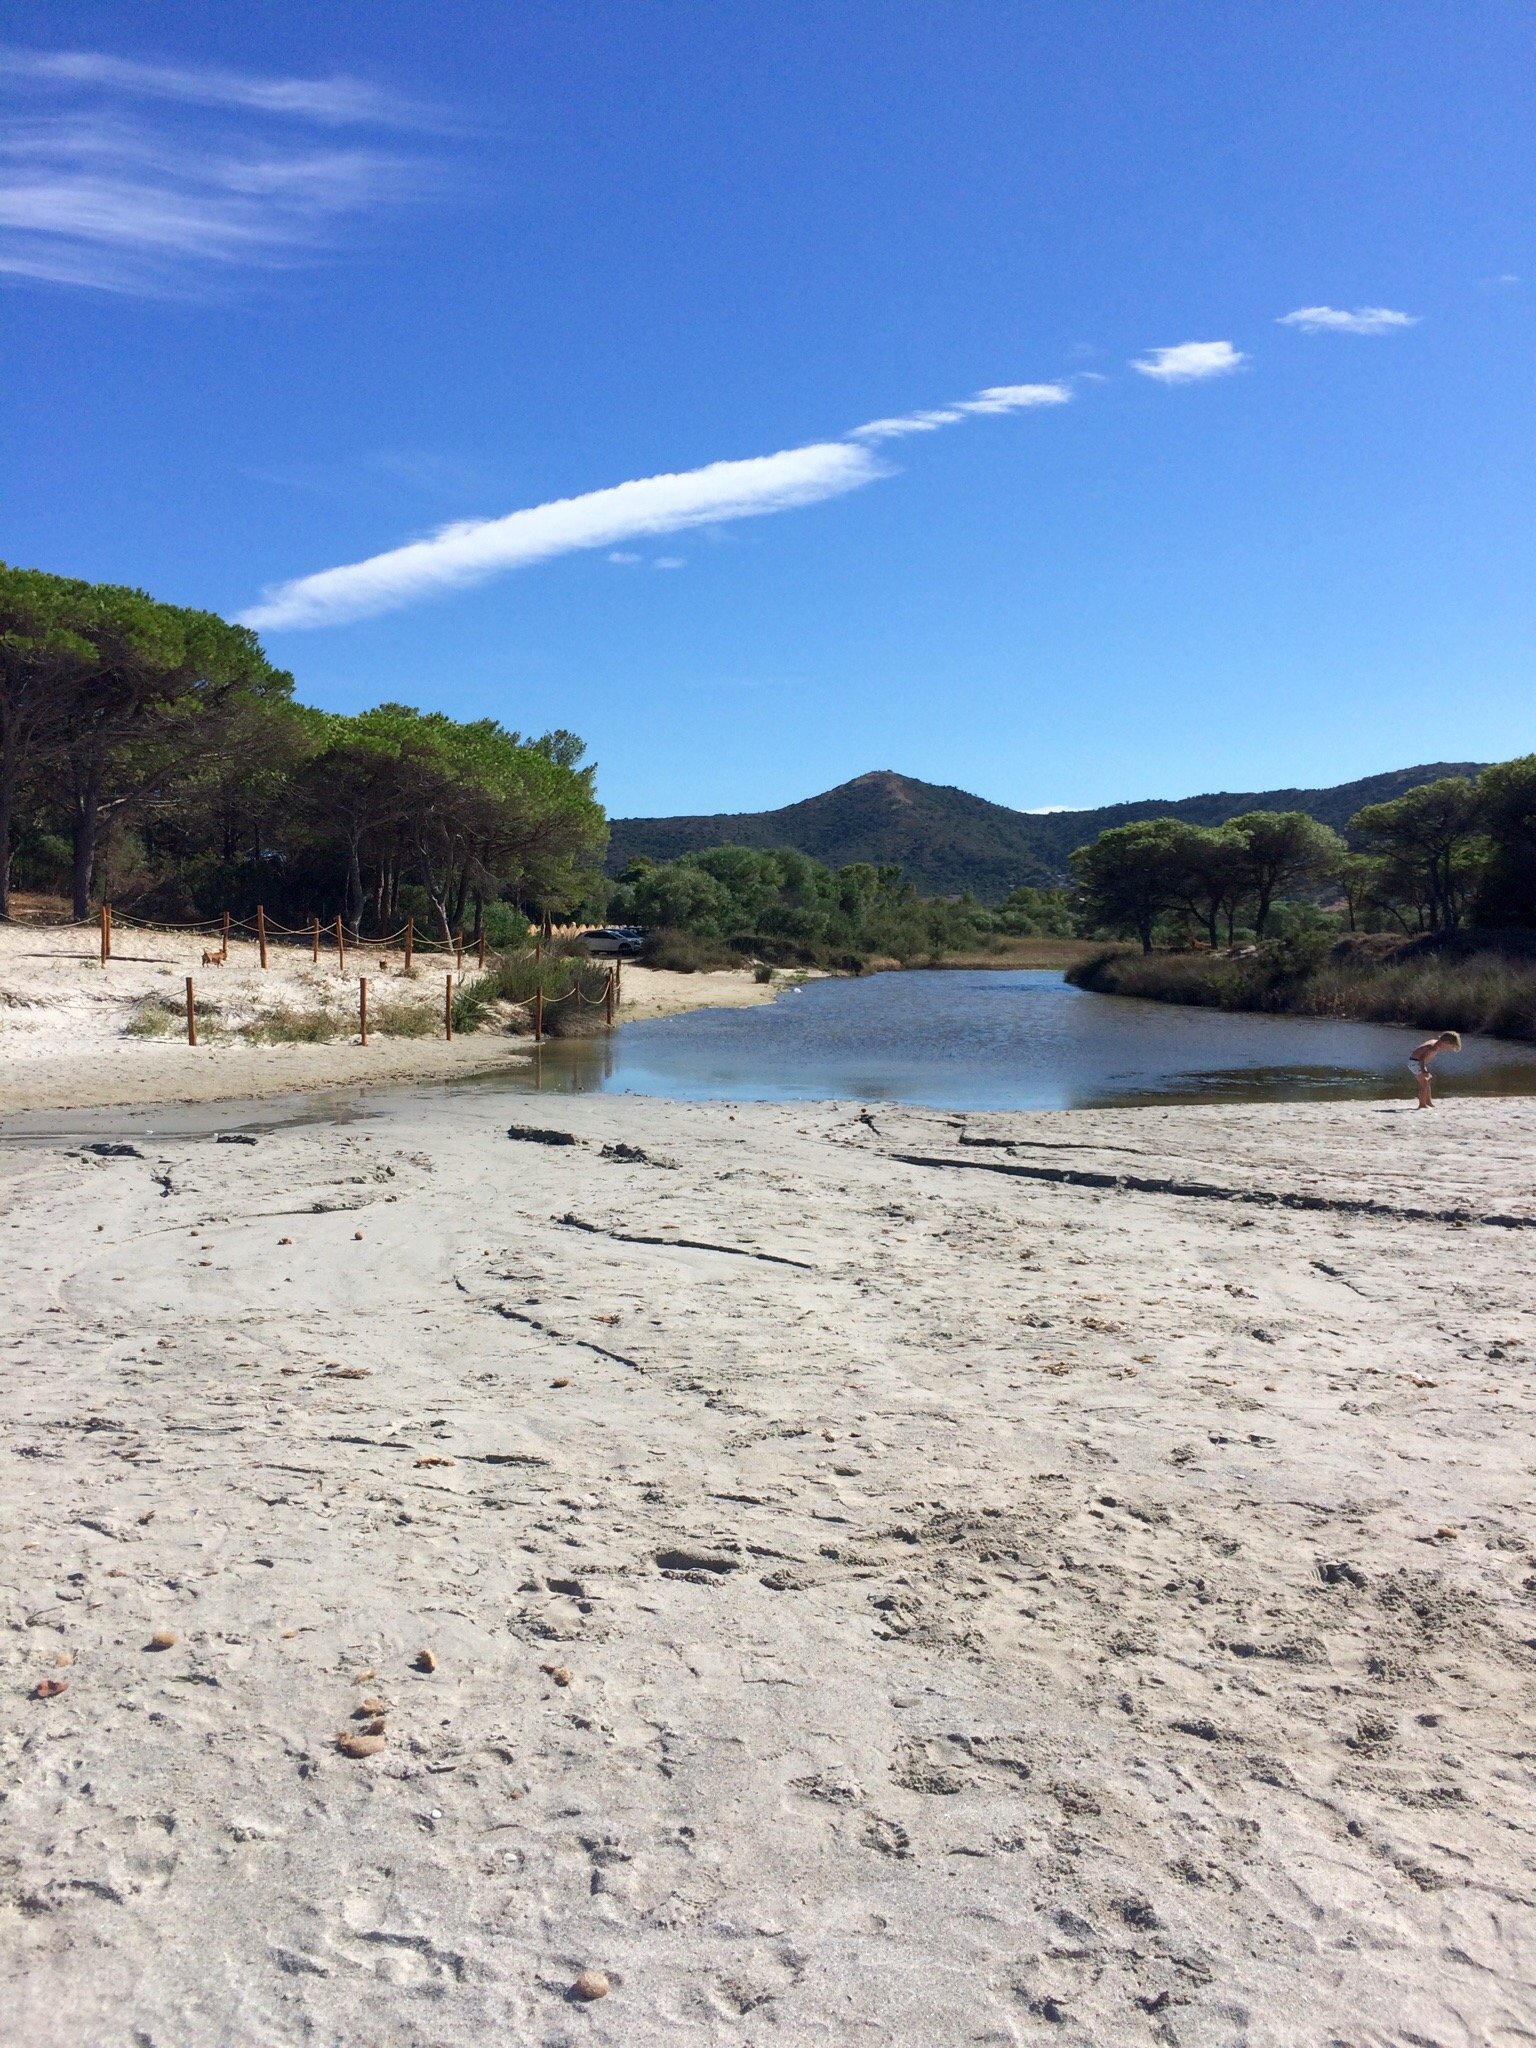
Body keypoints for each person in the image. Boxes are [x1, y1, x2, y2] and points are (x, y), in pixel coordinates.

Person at [1407, 1029, 1461, 1108]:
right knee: (1424, 1083)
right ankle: (1422, 1104)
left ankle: (1428, 1102)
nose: (1448, 1049)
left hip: (1417, 1063)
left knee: (1428, 1080)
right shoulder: (1433, 1047)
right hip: (1415, 1063)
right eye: (1450, 1046)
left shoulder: (1434, 1042)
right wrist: (1423, 1070)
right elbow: (1422, 1058)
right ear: (1446, 1042)